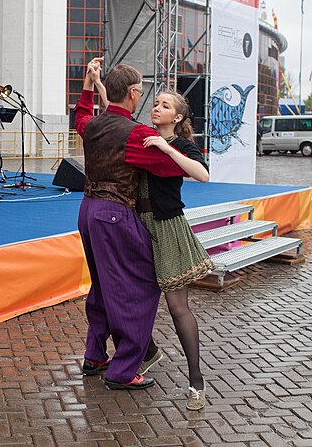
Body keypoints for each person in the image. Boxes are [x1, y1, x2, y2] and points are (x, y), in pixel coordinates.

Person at [92, 73, 214, 409]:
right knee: (128, 299)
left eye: (164, 105)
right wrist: (100, 86)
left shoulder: (181, 145)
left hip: (167, 229)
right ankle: (147, 351)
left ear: (177, 117)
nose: (156, 108)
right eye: (155, 103)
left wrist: (165, 146)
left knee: (177, 308)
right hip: (137, 226)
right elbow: (115, 112)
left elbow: (202, 174)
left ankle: (196, 381)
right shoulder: (139, 135)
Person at [75, 58, 186, 391]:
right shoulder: (137, 134)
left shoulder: (94, 125)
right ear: (134, 94)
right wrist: (181, 149)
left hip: (87, 210)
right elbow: (168, 168)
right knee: (139, 287)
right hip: (115, 215)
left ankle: (95, 355)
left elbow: (80, 117)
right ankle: (123, 370)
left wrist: (88, 86)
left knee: (102, 286)